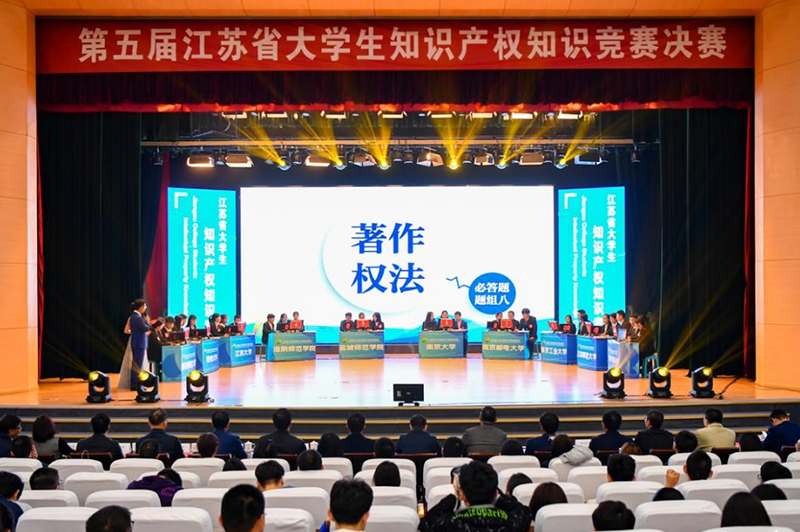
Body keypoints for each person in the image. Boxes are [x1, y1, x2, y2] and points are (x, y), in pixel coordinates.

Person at [421, 460, 531, 532]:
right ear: (496, 493)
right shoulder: (512, 522)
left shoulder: (451, 524)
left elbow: (427, 522)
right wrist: (493, 489)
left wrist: (455, 496)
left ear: (462, 495)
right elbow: (524, 511)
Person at [129, 299, 151, 390]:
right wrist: (147, 322)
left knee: (137, 365)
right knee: (137, 365)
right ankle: (135, 384)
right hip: (139, 344)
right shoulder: (137, 317)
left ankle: (136, 384)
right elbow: (146, 328)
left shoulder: (135, 316)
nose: (145, 308)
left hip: (137, 343)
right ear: (141, 307)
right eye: (145, 306)